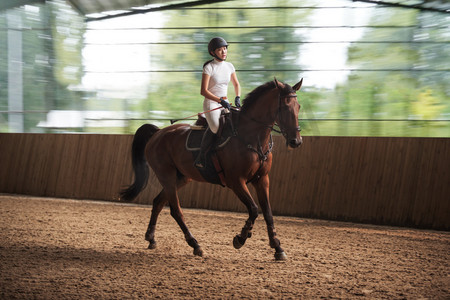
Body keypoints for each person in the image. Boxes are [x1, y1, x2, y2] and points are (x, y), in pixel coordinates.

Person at [194, 37, 241, 169]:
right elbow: (203, 91)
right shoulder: (209, 68)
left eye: (225, 49)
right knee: (215, 128)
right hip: (212, 102)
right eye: (220, 50)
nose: (224, 52)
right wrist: (220, 101)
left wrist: (237, 97)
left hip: (225, 101)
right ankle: (201, 157)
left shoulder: (229, 66)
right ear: (213, 53)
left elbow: (236, 84)